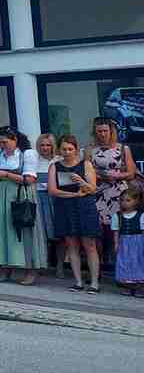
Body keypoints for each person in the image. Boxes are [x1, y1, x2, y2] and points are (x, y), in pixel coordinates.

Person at [0, 128, 46, 285]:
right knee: (3, 231)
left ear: (15, 140)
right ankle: (6, 267)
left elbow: (29, 180)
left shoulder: (27, 154)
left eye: (5, 142)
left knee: (24, 231)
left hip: (21, 196)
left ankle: (30, 269)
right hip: (1, 196)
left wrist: (5, 174)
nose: (2, 146)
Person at [49, 135, 102, 294]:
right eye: (64, 149)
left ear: (76, 149)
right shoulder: (55, 166)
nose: (67, 152)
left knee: (89, 245)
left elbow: (92, 189)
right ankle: (78, 282)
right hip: (65, 207)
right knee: (71, 245)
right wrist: (73, 195)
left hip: (84, 207)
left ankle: (94, 283)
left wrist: (81, 181)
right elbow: (53, 190)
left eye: (70, 149)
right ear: (59, 150)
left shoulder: (85, 164)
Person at [90, 118, 138, 243]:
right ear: (95, 132)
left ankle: (121, 252)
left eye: (105, 131)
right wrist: (100, 175)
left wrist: (117, 175)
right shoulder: (90, 149)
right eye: (99, 131)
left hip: (119, 193)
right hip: (98, 193)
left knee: (119, 227)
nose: (102, 134)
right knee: (100, 230)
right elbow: (86, 171)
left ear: (111, 131)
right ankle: (104, 254)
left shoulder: (122, 148)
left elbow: (131, 173)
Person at [31, 134, 63, 264]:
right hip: (38, 198)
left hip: (55, 198)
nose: (45, 148)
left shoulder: (59, 160)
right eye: (42, 145)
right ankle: (42, 263)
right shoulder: (34, 160)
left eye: (48, 145)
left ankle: (60, 265)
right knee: (40, 233)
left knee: (58, 233)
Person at [114, 189, 143, 297]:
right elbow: (116, 231)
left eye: (128, 200)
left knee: (138, 263)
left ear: (136, 201)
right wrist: (116, 243)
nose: (124, 203)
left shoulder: (141, 215)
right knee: (125, 263)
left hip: (138, 243)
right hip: (124, 243)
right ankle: (127, 286)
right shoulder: (118, 216)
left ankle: (139, 287)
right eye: (122, 200)